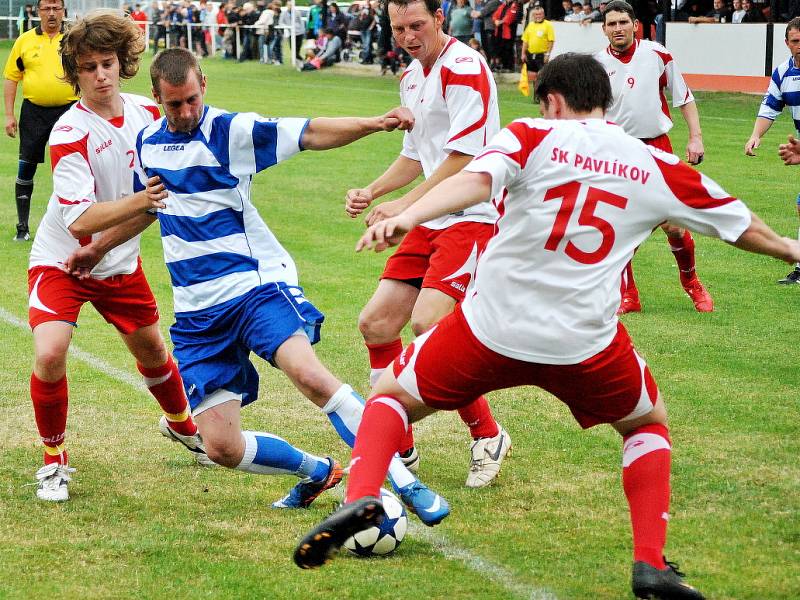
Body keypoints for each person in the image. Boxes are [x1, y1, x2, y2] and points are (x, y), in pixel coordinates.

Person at [293, 53, 800, 600]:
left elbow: (474, 181)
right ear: (604, 102)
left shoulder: (531, 135)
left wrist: (408, 215)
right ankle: (650, 563)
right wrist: (793, 248)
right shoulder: (653, 165)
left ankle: (363, 494)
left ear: (552, 101)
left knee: (390, 396)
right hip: (585, 342)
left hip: (491, 329)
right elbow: (741, 224)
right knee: (647, 425)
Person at [66, 47, 450, 524]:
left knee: (311, 377)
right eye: (173, 105)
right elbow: (151, 207)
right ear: (156, 98)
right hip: (196, 314)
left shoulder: (231, 131)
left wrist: (374, 122)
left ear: (203, 84)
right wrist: (98, 248)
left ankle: (405, 481)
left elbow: (308, 131)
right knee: (221, 447)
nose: (185, 113)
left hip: (254, 288)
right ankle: (318, 472)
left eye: (190, 100)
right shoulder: (147, 144)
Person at [23, 9, 205, 503]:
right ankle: (54, 458)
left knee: (153, 353)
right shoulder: (68, 132)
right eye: (87, 67)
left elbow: (168, 196)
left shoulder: (150, 114)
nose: (99, 75)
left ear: (122, 63)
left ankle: (184, 427)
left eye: (107, 63)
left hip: (118, 263)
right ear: (74, 72)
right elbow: (80, 221)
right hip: (61, 261)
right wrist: (142, 201)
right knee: (50, 351)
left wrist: (111, 241)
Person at [345, 0, 511, 489]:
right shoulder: (411, 79)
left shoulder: (465, 68)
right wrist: (375, 192)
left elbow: (465, 156)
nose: (408, 36)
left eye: (417, 25)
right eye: (399, 28)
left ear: (441, 18)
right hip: (432, 217)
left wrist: (407, 207)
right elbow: (416, 156)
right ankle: (400, 447)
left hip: (471, 215)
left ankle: (489, 434)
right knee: (375, 324)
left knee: (429, 324)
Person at [595, 0, 714, 314]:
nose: (618, 29)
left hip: (657, 148)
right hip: (617, 153)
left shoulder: (657, 54)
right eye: (612, 24)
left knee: (673, 225)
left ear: (635, 25)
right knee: (618, 228)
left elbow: (684, 98)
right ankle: (628, 296)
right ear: (603, 29)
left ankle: (692, 283)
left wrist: (696, 137)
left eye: (623, 22)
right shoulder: (595, 66)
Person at [4, 0, 78, 242]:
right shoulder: (24, 41)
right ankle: (22, 228)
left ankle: (74, 225)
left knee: (74, 168)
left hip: (70, 111)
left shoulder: (74, 38)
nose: (52, 13)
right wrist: (9, 115)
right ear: (39, 12)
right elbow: (11, 78)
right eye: (46, 8)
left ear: (63, 11)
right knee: (26, 166)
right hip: (33, 112)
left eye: (57, 8)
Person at [744, 18, 800, 284]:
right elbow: (770, 107)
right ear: (787, 43)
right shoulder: (782, 73)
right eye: (796, 41)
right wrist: (755, 135)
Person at [520, 5, 554, 100]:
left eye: (540, 14)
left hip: (541, 55)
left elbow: (551, 40)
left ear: (543, 14)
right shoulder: (530, 25)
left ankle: (543, 95)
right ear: (533, 15)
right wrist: (523, 53)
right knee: (533, 76)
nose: (538, 16)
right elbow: (525, 40)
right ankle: (536, 96)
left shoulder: (548, 25)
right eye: (536, 14)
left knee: (541, 75)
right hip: (531, 54)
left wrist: (547, 54)